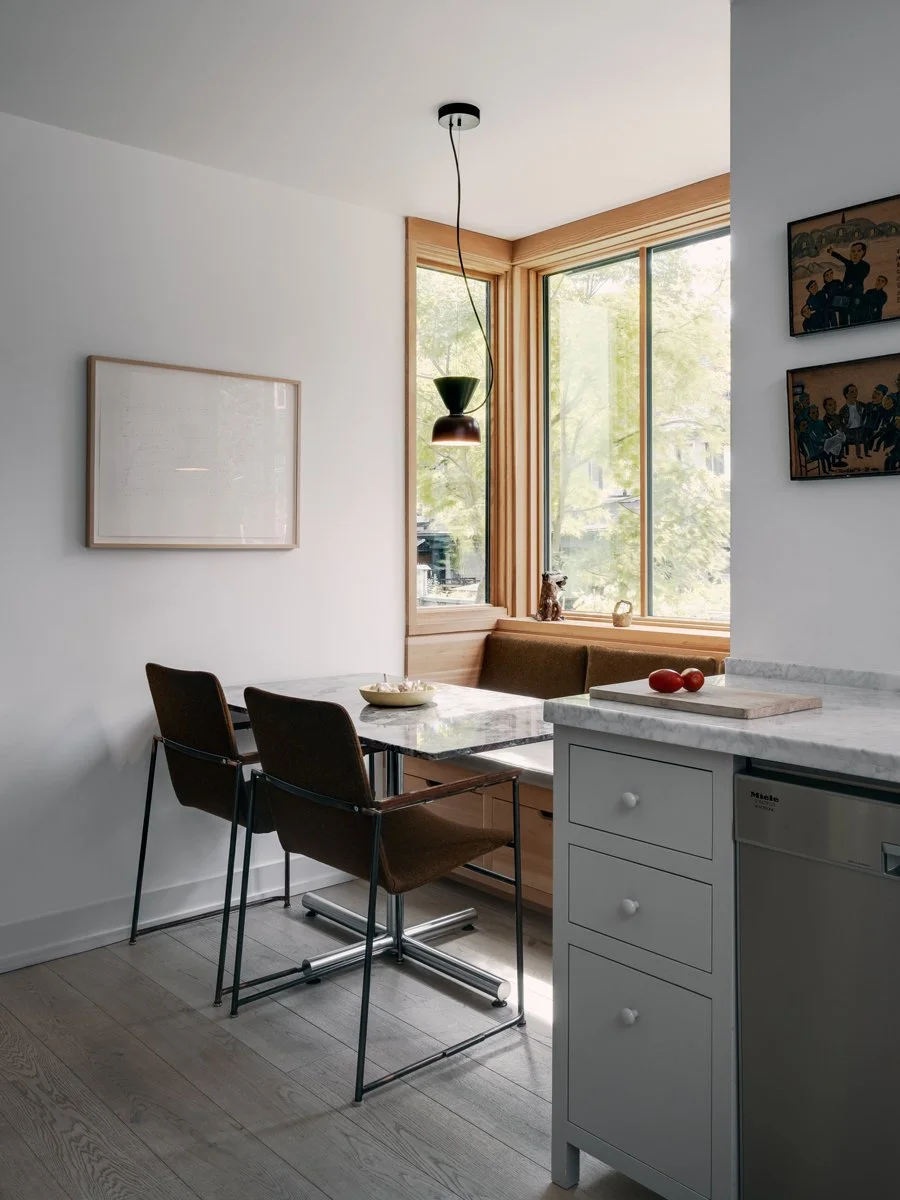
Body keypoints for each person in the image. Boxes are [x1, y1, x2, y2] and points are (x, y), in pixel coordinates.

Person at [827, 242, 871, 323]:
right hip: (844, 293)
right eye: (853, 251)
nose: (855, 254)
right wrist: (832, 252)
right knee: (843, 315)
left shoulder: (865, 265)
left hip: (856, 294)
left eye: (859, 251)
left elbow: (861, 277)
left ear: (863, 253)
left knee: (854, 316)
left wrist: (852, 284)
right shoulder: (849, 263)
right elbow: (841, 258)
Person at [839, 383, 865, 460]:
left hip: (860, 429)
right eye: (852, 392)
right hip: (849, 430)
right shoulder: (843, 410)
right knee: (840, 438)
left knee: (857, 438)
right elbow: (841, 423)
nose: (855, 393)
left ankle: (858, 456)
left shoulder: (861, 405)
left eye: (856, 391)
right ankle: (842, 455)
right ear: (846, 395)